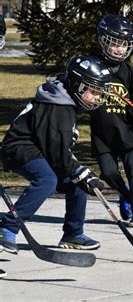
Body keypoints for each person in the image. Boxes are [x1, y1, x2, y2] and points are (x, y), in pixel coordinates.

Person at [0, 56, 111, 253]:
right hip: (19, 147)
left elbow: (58, 148)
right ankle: (7, 226)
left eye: (98, 92)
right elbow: (57, 152)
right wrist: (82, 172)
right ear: (77, 85)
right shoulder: (59, 107)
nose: (96, 97)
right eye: (93, 91)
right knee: (47, 179)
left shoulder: (65, 98)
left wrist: (80, 174)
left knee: (77, 182)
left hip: (41, 147)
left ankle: (73, 233)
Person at [90, 14, 133, 227]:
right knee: (109, 174)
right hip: (103, 135)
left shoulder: (128, 73)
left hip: (129, 133)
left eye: (124, 45)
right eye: (115, 43)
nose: (119, 49)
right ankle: (126, 194)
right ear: (103, 40)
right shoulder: (92, 65)